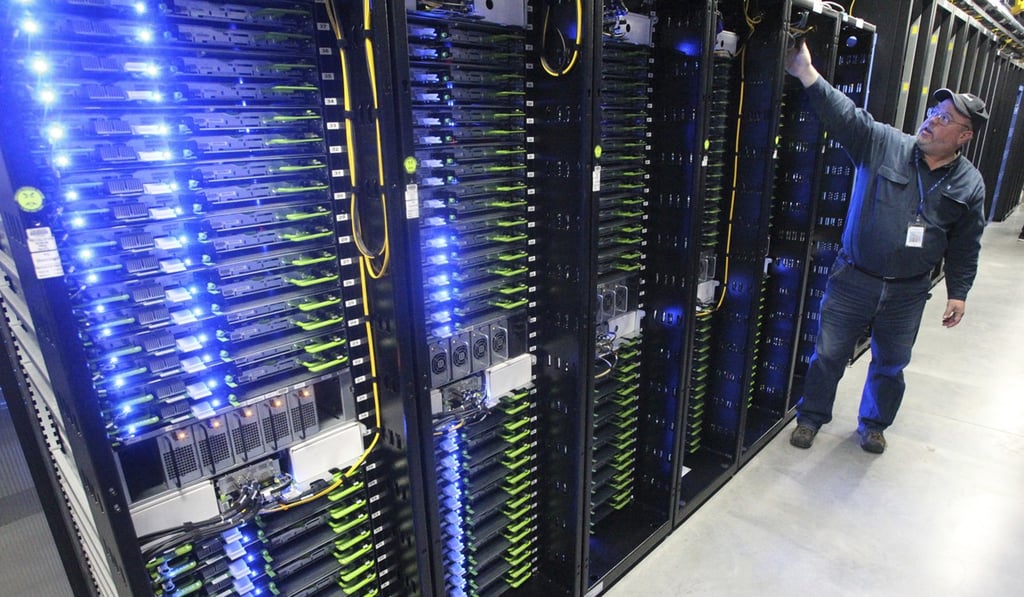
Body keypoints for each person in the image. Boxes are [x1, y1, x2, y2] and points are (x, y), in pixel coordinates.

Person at [784, 40, 988, 454]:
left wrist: (959, 293)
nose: (932, 120)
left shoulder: (970, 185)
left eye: (944, 118)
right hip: (854, 278)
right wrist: (807, 72)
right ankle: (811, 417)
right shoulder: (884, 144)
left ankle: (874, 424)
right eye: (933, 111)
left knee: (891, 364)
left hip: (908, 292)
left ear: (964, 135)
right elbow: (845, 116)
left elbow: (966, 244)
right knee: (828, 355)